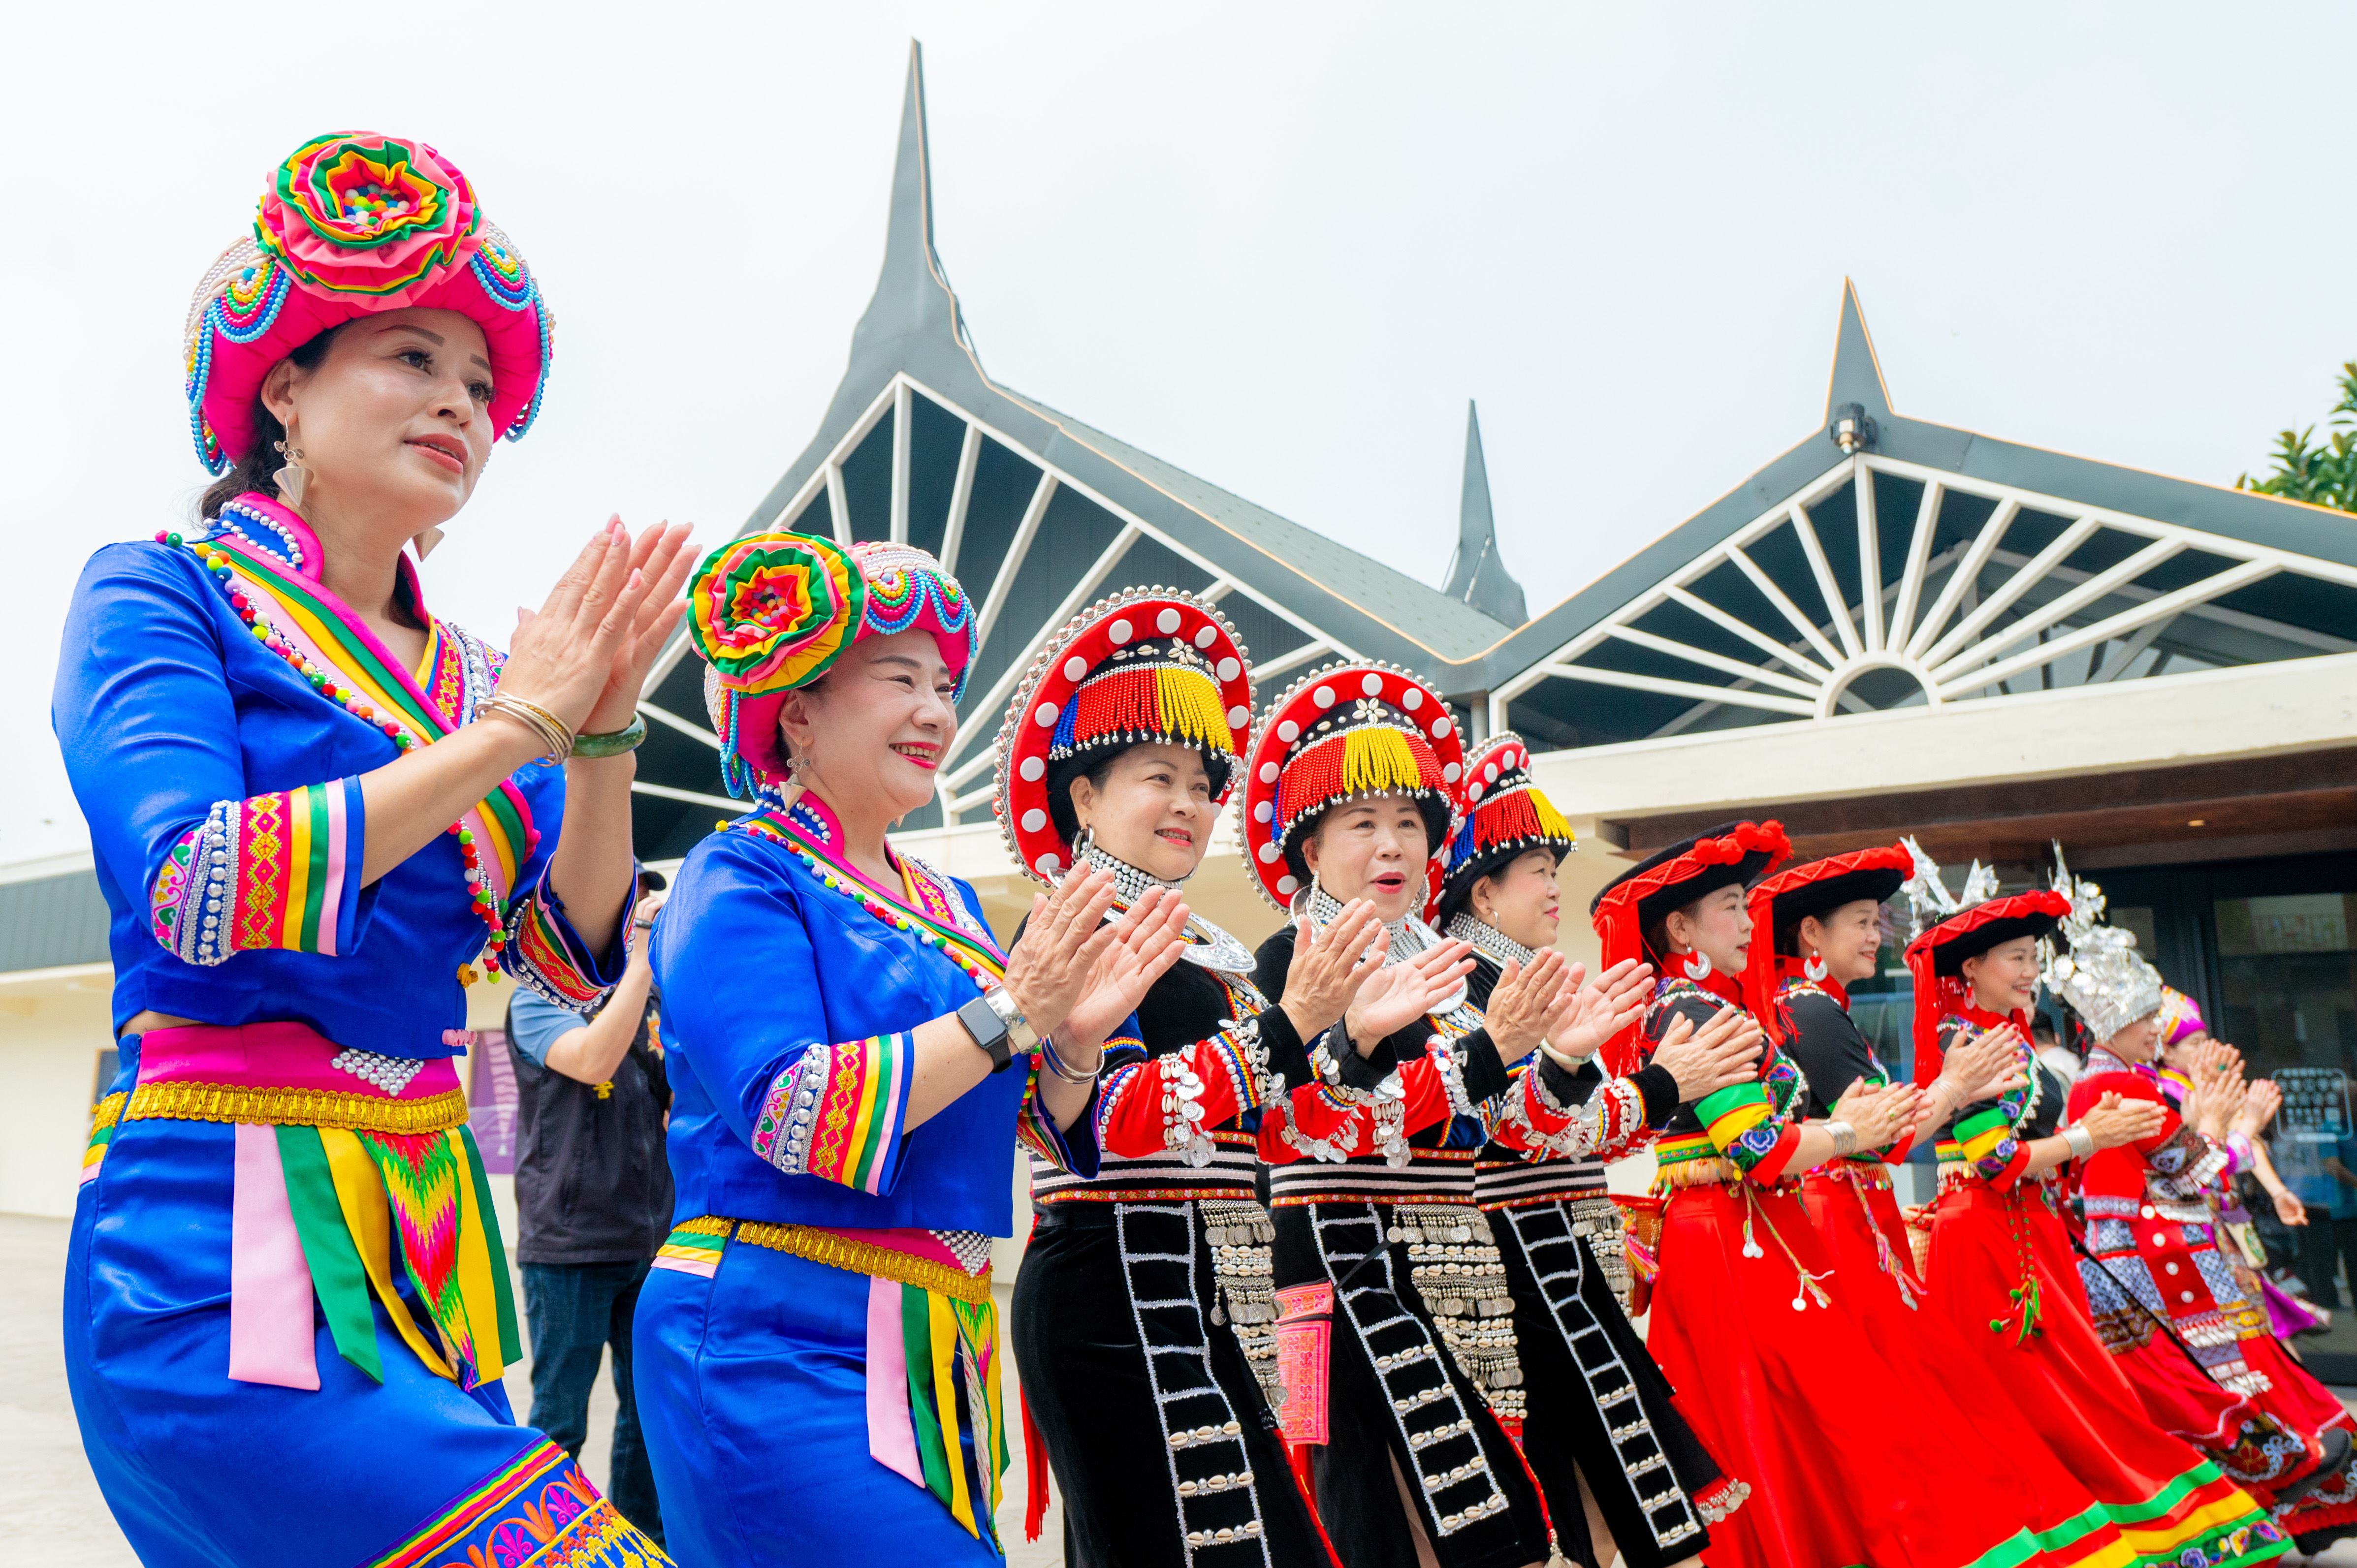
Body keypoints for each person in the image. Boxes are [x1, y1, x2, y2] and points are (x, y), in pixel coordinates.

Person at [56, 131, 685, 1566]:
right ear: (282, 381)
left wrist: (599, 733)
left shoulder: (476, 674)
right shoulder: (164, 592)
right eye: (411, 357)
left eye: (477, 383)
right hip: (218, 1252)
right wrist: (523, 723)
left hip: (427, 1257)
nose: (458, 405)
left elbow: (568, 963)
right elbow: (194, 880)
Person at [637, 532, 1184, 1565]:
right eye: (900, 678)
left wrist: (1071, 1042)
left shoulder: (951, 902)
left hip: (937, 1347)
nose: (937, 710)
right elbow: (792, 1109)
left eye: (943, 682)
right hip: (770, 1334)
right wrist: (1015, 1012)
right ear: (794, 712)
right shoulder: (739, 874)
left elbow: (1016, 1119)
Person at [1593, 824, 2282, 1568]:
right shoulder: (1713, 1011)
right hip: (1755, 1238)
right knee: (1822, 1431)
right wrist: (1863, 1125)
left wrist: (1868, 1122)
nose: (1750, 919)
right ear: (1678, 925)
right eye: (1732, 904)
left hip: (1765, 1234)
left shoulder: (1714, 1007)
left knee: (1815, 1436)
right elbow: (1763, 1149)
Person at [1239, 663, 1729, 1568]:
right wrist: (1501, 1054)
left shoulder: (1451, 967)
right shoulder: (1285, 959)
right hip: (1335, 1274)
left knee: (1511, 1530)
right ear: (1310, 848)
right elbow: (1305, 1124)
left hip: (1458, 1270)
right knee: (1380, 1526)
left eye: (1409, 824)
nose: (1392, 845)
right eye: (1362, 824)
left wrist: (1569, 1058)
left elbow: (1515, 1123)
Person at [988, 590, 1332, 1566]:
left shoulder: (1209, 944)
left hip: (1224, 1293)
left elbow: (1272, 1131)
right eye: (1158, 776)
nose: (1189, 801)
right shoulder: (1073, 926)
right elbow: (1110, 1123)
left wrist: (1343, 1048)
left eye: (1202, 780)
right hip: (1115, 1295)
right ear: (1085, 797)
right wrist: (1294, 1028)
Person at [1901, 858, 2290, 1563]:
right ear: (1975, 964)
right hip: (1992, 1241)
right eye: (2017, 958)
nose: (2030, 971)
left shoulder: (2013, 1038)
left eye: (2034, 958)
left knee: (2076, 1398)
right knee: (2044, 1404)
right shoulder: (1969, 1042)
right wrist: (2090, 1137)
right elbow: (1994, 1161)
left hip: (2029, 1233)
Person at [1433, 735, 1747, 1568]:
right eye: (1536, 868)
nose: (1553, 886)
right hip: (1513, 1271)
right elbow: (1523, 1125)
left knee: (1618, 1502)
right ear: (1483, 890)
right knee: (1582, 1508)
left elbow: (1590, 1127)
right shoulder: (1463, 983)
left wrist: (1653, 1090)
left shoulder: (1527, 978)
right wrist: (1660, 1085)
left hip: (1561, 1257)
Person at [2047, 882, 2357, 1553]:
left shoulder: (2111, 1080)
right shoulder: (2117, 1082)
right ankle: (2272, 1496)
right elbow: (2192, 1168)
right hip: (2144, 1261)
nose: (2155, 1030)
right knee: (2205, 1390)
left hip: (2152, 1252)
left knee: (2223, 1379)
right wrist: (2223, 1127)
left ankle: (2278, 1505)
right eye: (2145, 1018)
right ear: (2111, 1023)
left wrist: (2216, 1131)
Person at [505, 867, 677, 1546]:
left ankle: (641, 1545)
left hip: (649, 1239)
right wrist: (639, 964)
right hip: (568, 1246)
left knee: (647, 1417)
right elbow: (595, 1059)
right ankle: (539, 1550)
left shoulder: (650, 1000)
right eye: (628, 914)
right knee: (557, 1424)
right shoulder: (536, 997)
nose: (636, 926)